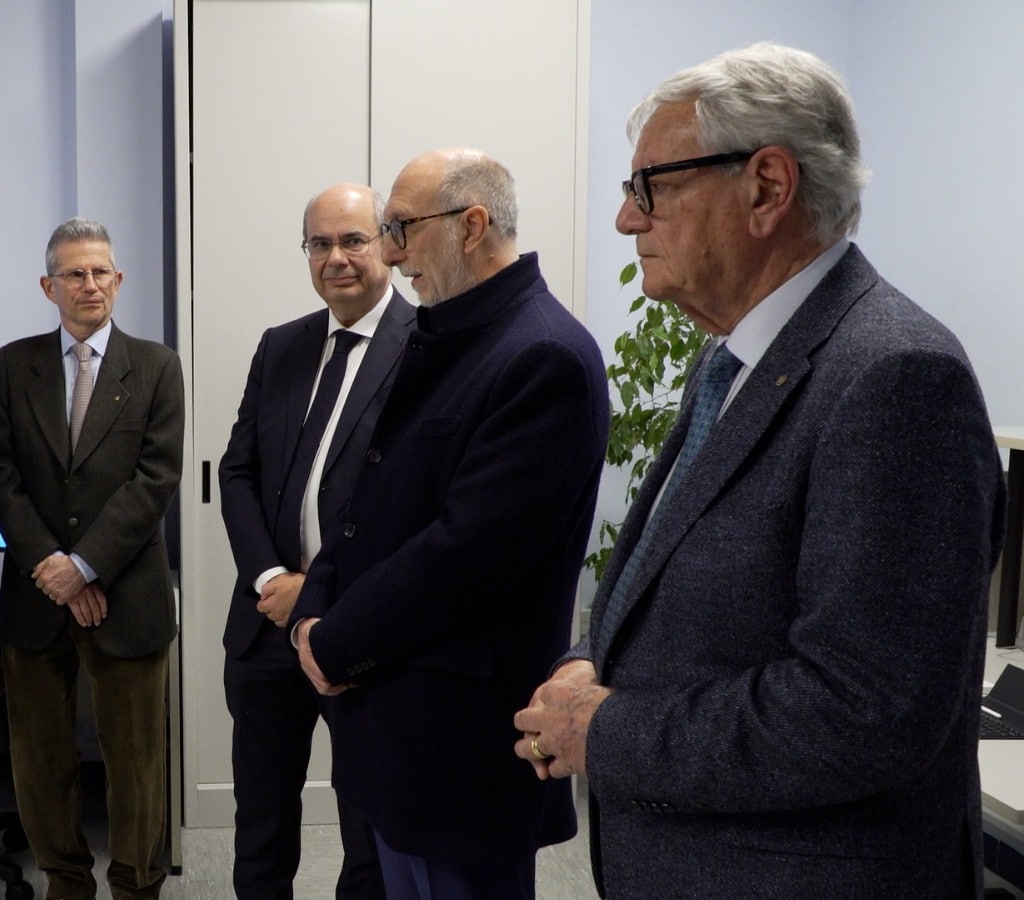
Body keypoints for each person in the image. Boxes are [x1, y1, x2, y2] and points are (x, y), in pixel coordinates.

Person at [513, 43, 1006, 900]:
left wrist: (612, 731)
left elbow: (864, 711)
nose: (629, 219)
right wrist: (592, 659)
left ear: (767, 188)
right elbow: (676, 583)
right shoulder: (730, 360)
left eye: (650, 187)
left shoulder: (895, 378)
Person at [287, 150, 608, 900]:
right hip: (399, 729)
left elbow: (464, 556)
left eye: (400, 229)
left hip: (461, 744)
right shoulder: (453, 332)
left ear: (471, 225)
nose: (390, 255)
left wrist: (331, 641)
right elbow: (364, 504)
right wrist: (312, 607)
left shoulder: (543, 356)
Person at [0, 217, 183, 900]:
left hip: (129, 594)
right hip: (38, 595)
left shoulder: (155, 365)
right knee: (41, 761)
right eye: (74, 273)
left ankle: (136, 885)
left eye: (100, 272)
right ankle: (65, 883)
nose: (89, 284)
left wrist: (88, 565)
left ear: (118, 281)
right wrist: (57, 569)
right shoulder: (16, 363)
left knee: (136, 764)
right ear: (49, 285)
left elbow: (155, 479)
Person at [217, 182, 407, 900]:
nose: (336, 258)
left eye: (353, 240)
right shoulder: (282, 346)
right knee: (260, 827)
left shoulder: (427, 349)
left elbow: (412, 507)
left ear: (388, 243)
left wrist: (317, 592)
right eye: (319, 244)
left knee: (368, 837)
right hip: (265, 630)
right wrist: (270, 579)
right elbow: (237, 472)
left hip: (361, 631)